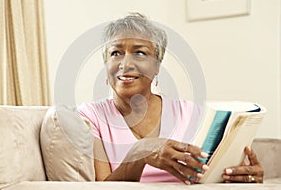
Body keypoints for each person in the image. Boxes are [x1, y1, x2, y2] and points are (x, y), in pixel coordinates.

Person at [78, 13, 264, 184]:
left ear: (157, 66)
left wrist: (245, 176)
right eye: (116, 53)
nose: (125, 64)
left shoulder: (193, 114)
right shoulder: (90, 116)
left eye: (140, 53)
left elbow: (213, 175)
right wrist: (141, 152)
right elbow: (101, 187)